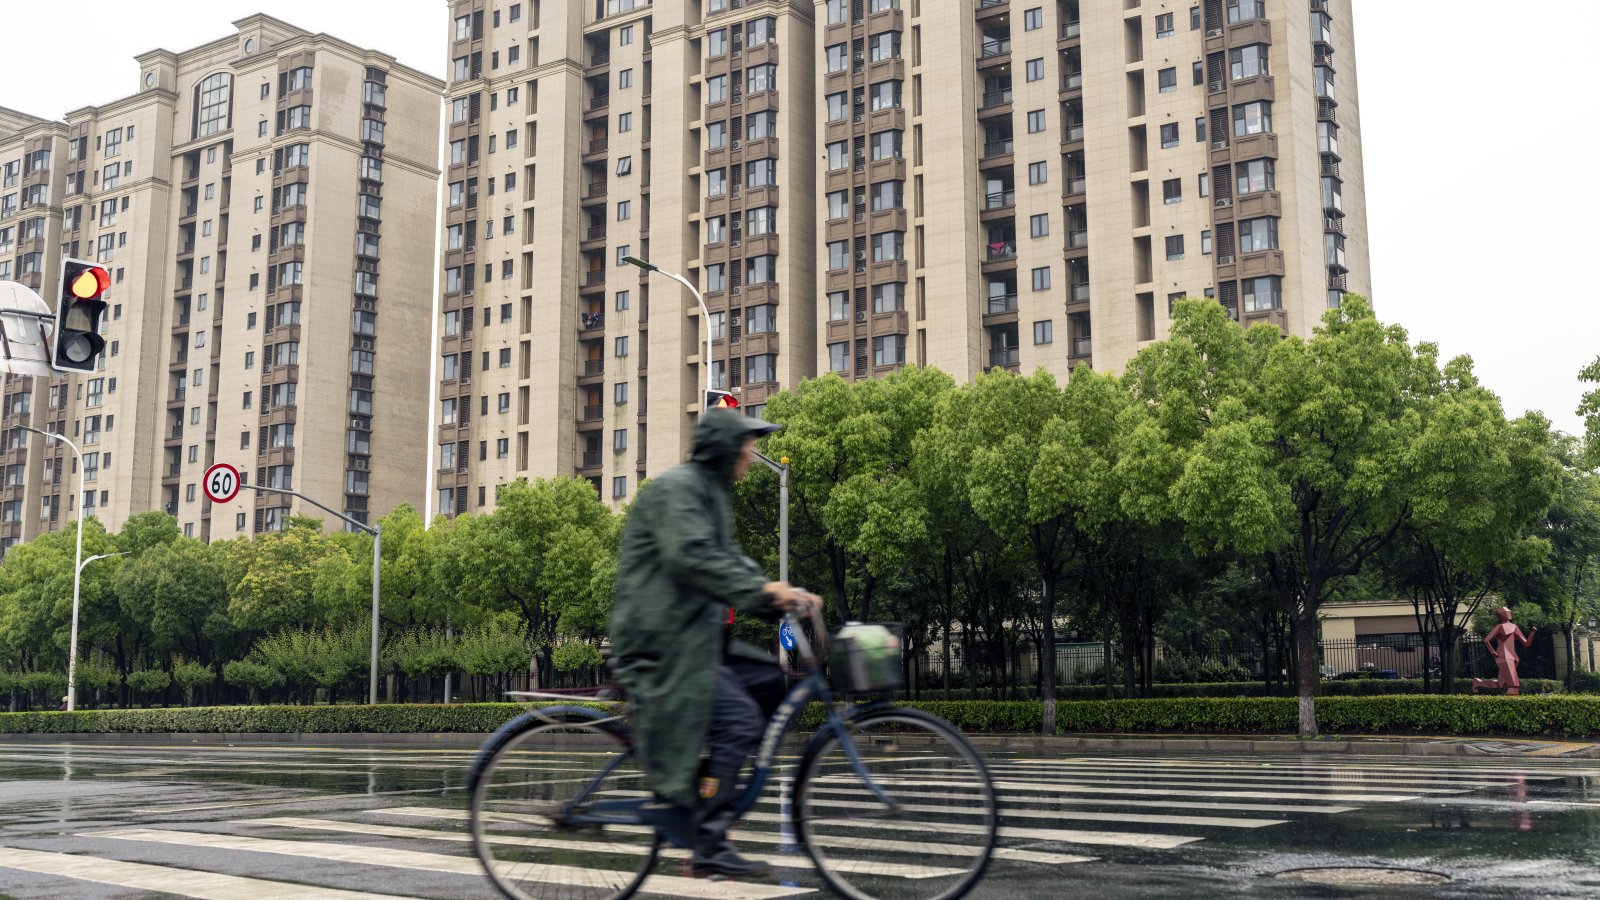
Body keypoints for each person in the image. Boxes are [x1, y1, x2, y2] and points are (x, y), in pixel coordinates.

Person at [608, 408, 820, 878]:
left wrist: (780, 596)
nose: (752, 453)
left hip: (692, 639)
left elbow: (731, 562)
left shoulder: (712, 495)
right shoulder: (678, 489)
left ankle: (707, 790)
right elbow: (696, 558)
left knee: (770, 681)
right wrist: (765, 593)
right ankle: (708, 840)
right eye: (747, 445)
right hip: (661, 642)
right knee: (739, 719)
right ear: (725, 449)